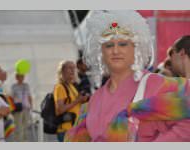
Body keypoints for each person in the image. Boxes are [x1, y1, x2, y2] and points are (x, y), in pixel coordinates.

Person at [64, 10, 190, 142]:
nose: (115, 50)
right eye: (109, 45)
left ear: (136, 48)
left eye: (123, 44)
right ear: (100, 52)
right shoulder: (95, 99)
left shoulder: (156, 84)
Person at [53, 60, 88, 142]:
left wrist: (82, 100)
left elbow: (75, 102)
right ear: (62, 71)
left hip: (74, 128)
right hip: (65, 130)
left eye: (74, 68)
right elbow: (60, 109)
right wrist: (77, 101)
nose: (73, 70)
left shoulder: (71, 85)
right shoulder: (60, 87)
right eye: (69, 68)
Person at [11, 73, 33, 141]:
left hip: (26, 109)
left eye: (22, 76)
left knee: (25, 127)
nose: (21, 78)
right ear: (16, 77)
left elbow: (29, 96)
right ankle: (18, 142)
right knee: (18, 127)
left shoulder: (26, 85)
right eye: (19, 76)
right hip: (18, 109)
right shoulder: (14, 86)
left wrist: (31, 106)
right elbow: (12, 97)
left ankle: (25, 142)